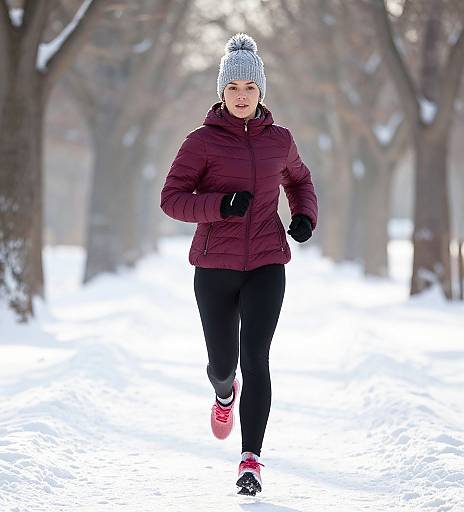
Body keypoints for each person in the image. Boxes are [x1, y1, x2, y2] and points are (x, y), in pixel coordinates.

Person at [160, 32, 318, 495]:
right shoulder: (201, 142)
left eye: (250, 88)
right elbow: (171, 200)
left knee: (257, 358)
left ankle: (250, 460)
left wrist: (305, 215)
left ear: (261, 92)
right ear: (222, 92)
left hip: (267, 262)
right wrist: (221, 204)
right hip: (215, 268)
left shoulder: (280, 141)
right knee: (224, 363)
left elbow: (300, 181)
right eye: (233, 88)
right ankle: (223, 392)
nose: (242, 96)